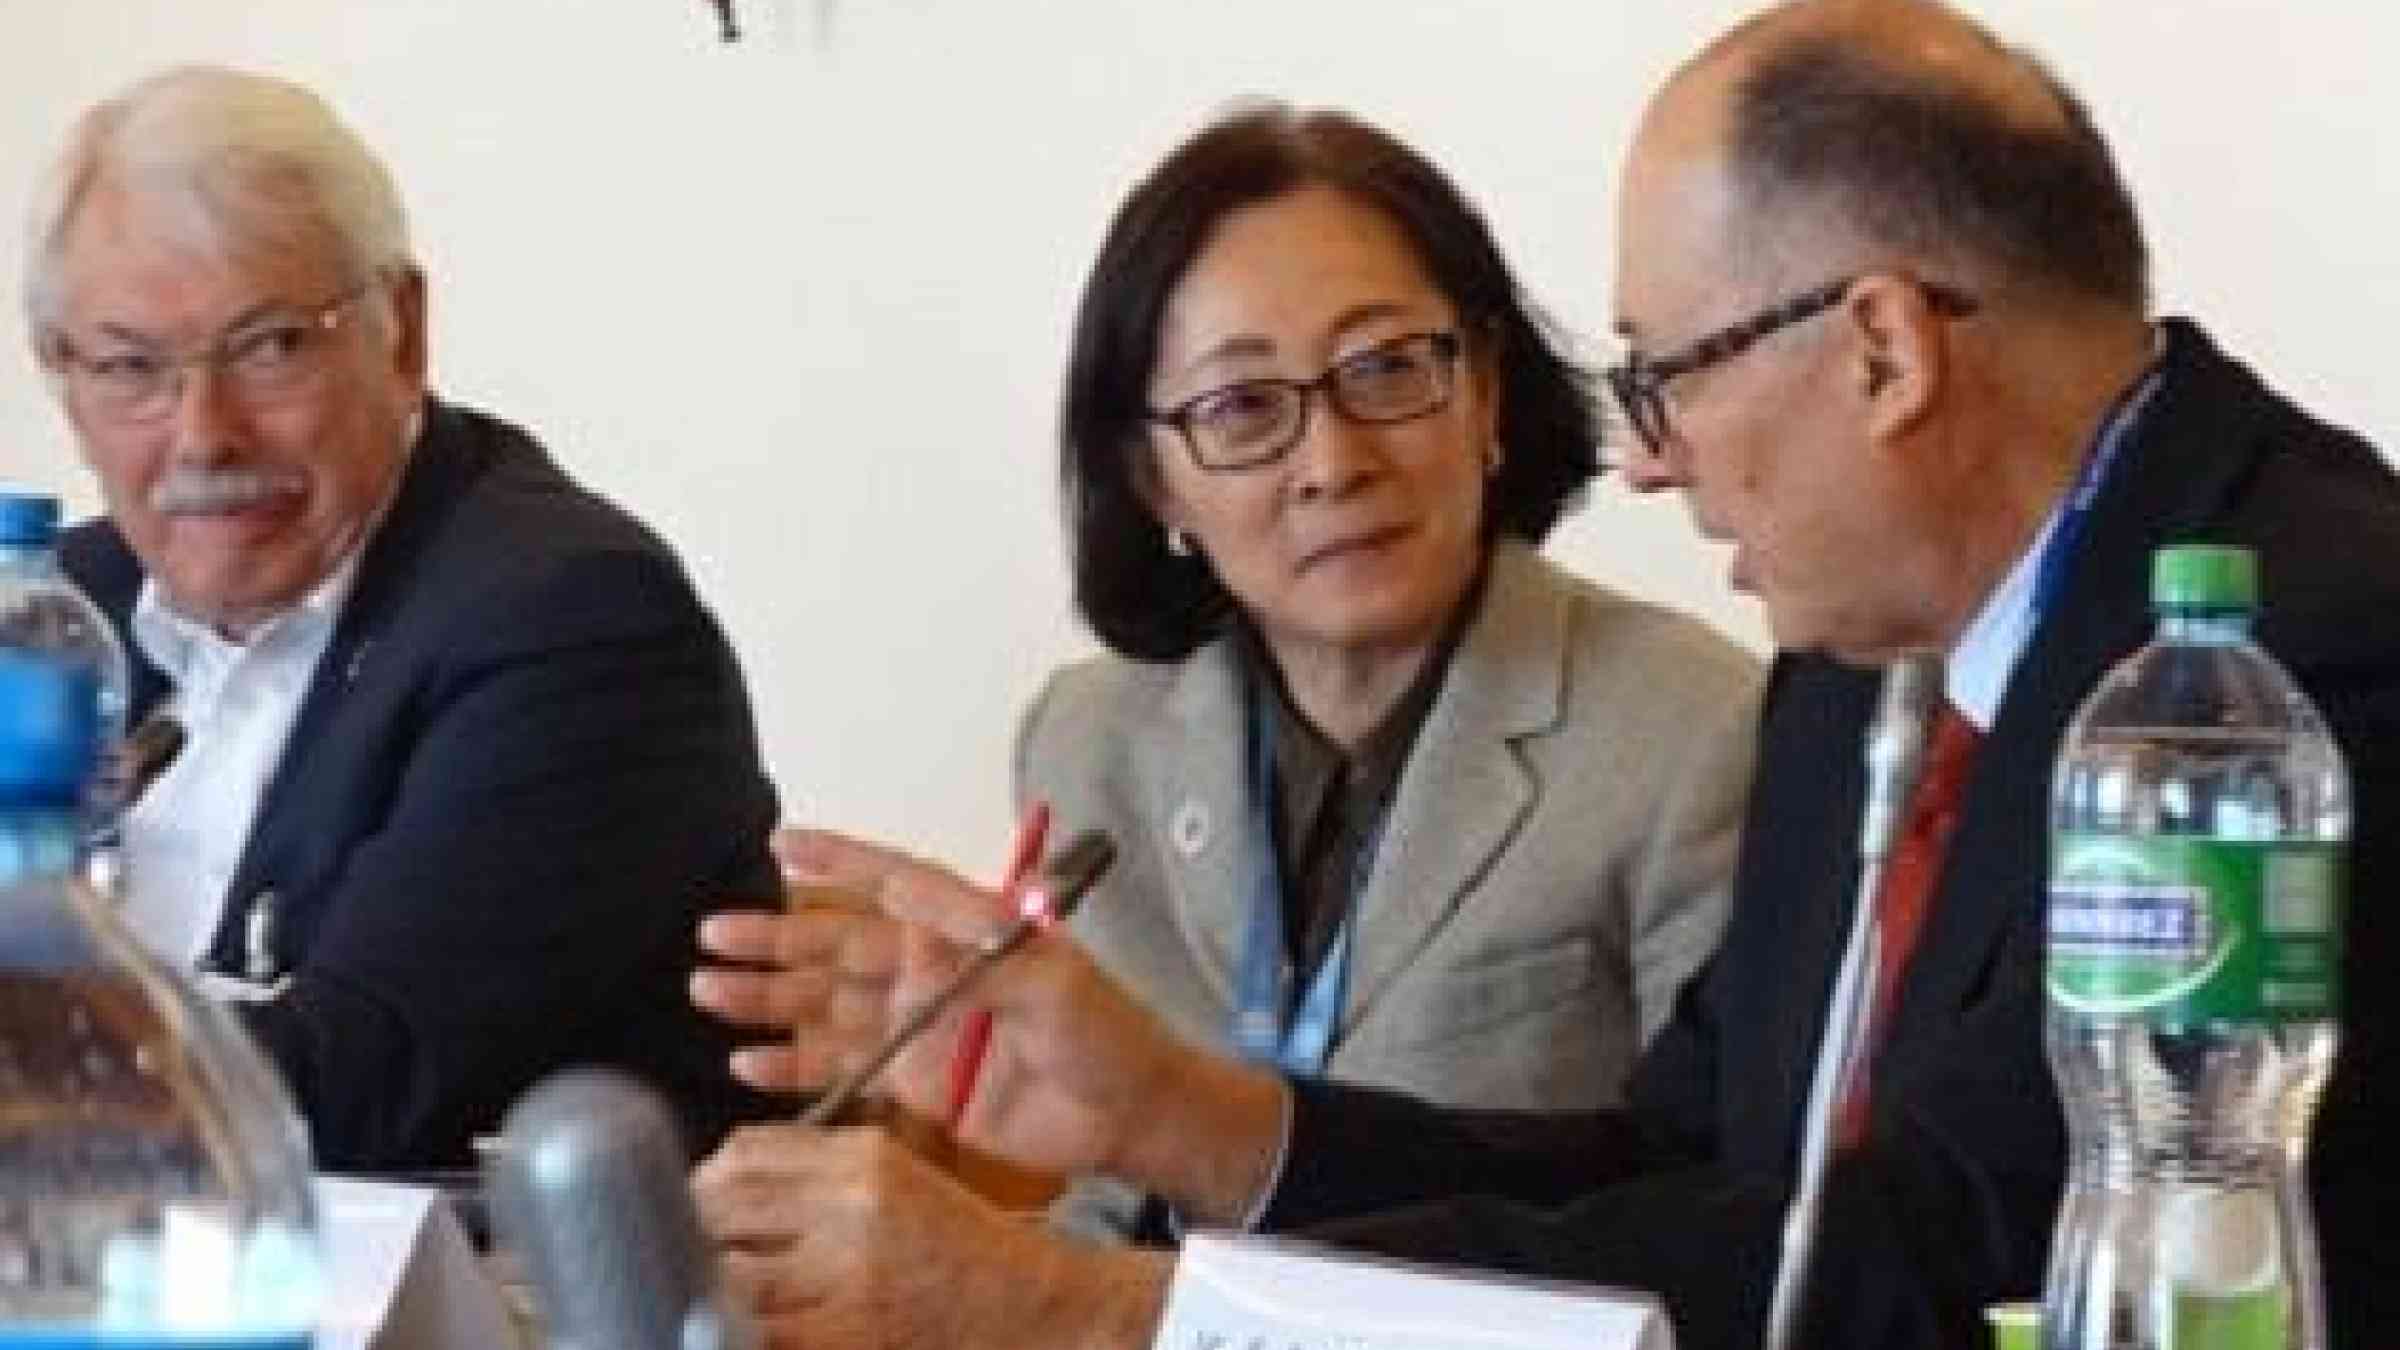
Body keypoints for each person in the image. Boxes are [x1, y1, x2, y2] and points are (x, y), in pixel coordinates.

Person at [691, 4, 2400, 1349]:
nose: (1649, 464)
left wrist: (1107, 1322)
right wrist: (1187, 1120)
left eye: (1665, 375)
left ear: (1881, 348)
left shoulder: (2309, 660)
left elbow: (1969, 1263)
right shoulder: (1866, 666)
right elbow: (1692, 1174)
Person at [694, 105, 1758, 1237]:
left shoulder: (1693, 735)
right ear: (1153, 483)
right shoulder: (1089, 740)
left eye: (1388, 370)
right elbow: (1113, 1208)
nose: (1335, 462)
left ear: (1487, 394)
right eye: (1244, 408)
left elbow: (1705, 1223)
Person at [26, 66, 783, 1169]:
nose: (204, 435)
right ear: (62, 376)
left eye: (269, 346)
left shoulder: (572, 623)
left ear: (402, 329)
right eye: (133, 368)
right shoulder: (55, 612)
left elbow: (347, 1087)